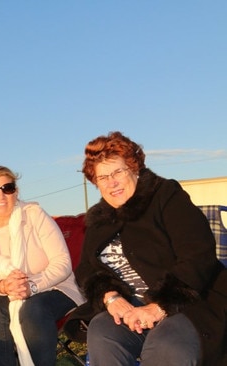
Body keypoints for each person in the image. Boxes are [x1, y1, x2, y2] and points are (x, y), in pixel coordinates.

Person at [69, 131, 227, 366]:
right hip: (130, 309)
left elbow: (198, 254)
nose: (111, 182)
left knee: (164, 346)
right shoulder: (99, 218)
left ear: (134, 168)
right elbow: (86, 270)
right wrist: (111, 297)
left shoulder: (166, 197)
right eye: (102, 177)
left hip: (188, 305)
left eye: (118, 172)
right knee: (102, 330)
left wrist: (158, 306)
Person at [0, 166, 84, 366]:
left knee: (32, 308)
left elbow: (62, 263)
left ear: (16, 192)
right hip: (7, 295)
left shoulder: (34, 215)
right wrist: (4, 286)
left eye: (7, 188)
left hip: (54, 288)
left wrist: (31, 286)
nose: (0, 194)